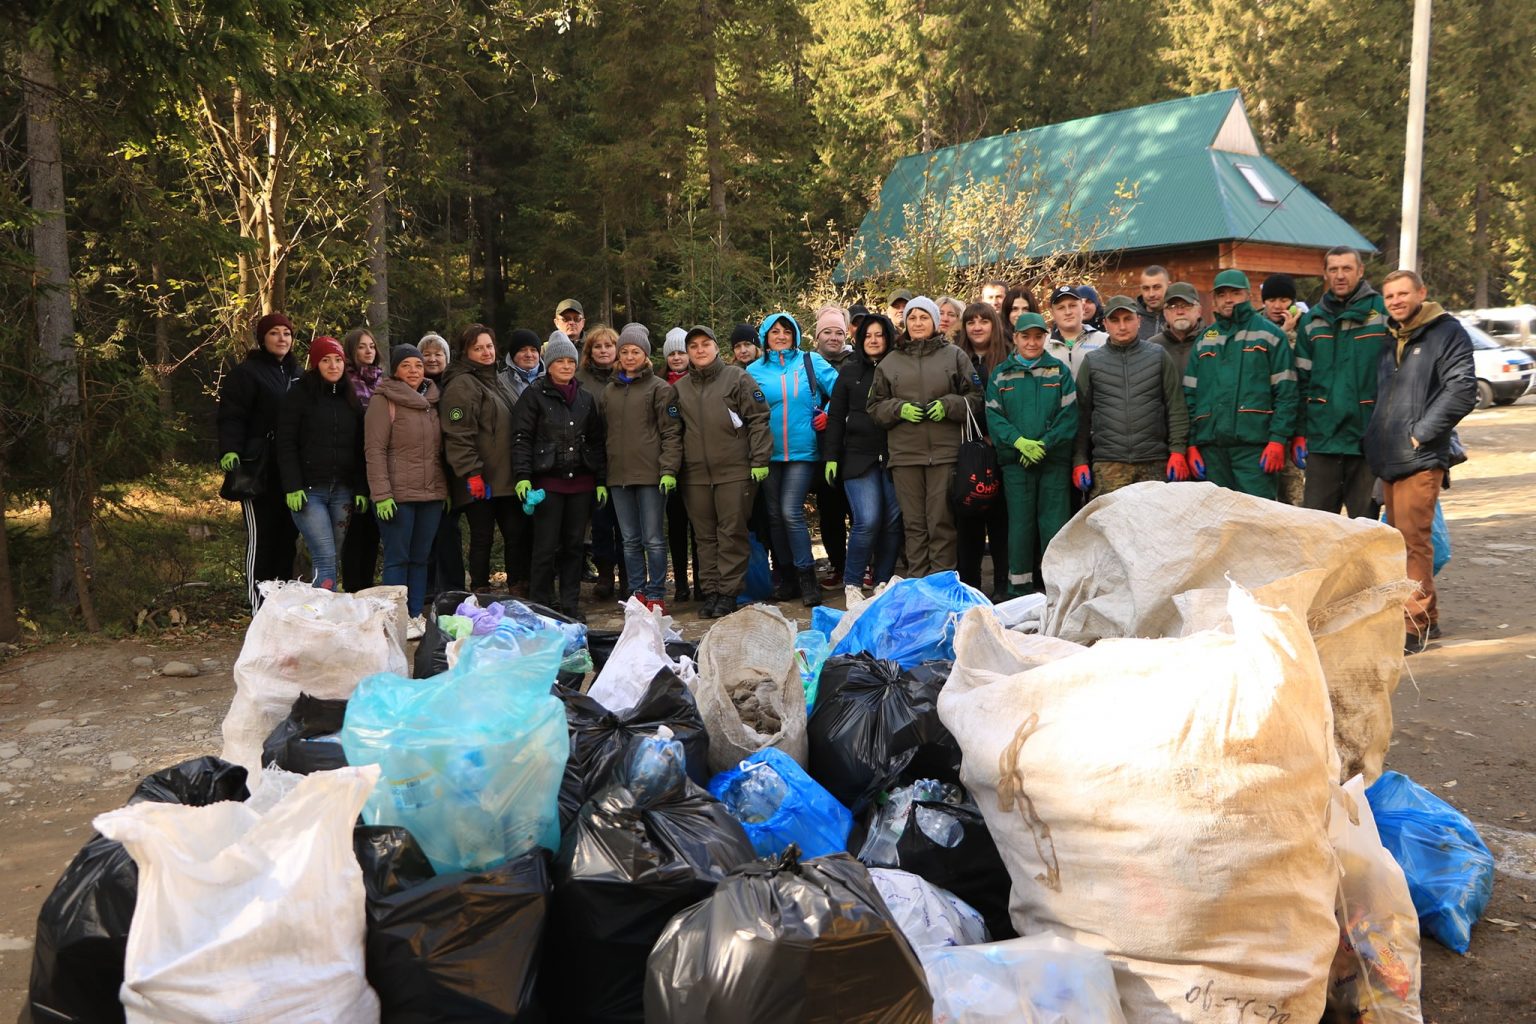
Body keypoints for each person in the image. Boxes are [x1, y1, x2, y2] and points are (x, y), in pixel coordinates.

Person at [1366, 270, 1476, 652]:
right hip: (1389, 455)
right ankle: (1426, 619)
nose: (1396, 300)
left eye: (1403, 293)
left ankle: (1414, 625)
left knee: (1414, 542)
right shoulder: (1390, 337)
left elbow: (1463, 389)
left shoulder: (1446, 333)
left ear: (1421, 293)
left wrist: (1422, 432)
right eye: (1390, 295)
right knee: (1400, 542)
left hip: (1420, 455)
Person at [867, 295, 982, 576]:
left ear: (934, 321)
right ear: (905, 323)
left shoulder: (954, 355)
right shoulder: (889, 362)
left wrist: (948, 406)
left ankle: (941, 586)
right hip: (905, 456)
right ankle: (917, 585)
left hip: (945, 454)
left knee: (941, 523)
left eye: (924, 317)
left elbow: (976, 397)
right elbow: (874, 406)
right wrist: (898, 409)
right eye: (912, 318)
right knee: (914, 525)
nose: (918, 323)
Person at [673, 325, 772, 618]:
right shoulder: (679, 389)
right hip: (695, 476)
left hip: (734, 471)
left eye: (706, 344)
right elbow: (673, 433)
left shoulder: (736, 378)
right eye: (694, 346)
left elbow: (758, 419)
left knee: (731, 533)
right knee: (704, 537)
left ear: (716, 348)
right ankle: (712, 591)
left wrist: (759, 461)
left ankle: (729, 593)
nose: (700, 350)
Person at [512, 332, 606, 621]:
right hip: (548, 482)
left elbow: (596, 440)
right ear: (548, 363)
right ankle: (541, 604)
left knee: (574, 547)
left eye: (570, 361)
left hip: (580, 482)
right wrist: (523, 475)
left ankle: (570, 605)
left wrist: (600, 479)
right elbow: (521, 437)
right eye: (559, 361)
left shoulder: (586, 398)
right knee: (545, 546)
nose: (565, 366)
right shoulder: (533, 396)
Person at [748, 312, 839, 607]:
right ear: (765, 337)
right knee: (774, 516)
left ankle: (806, 576)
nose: (781, 335)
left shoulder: (810, 361)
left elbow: (841, 391)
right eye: (774, 331)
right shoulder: (753, 371)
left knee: (790, 511)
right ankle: (786, 577)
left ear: (796, 335)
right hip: (767, 453)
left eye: (787, 330)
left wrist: (826, 412)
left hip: (803, 451)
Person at [1183, 269, 1298, 500]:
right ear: (1214, 299)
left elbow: (1286, 393)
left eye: (1235, 293)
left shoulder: (1270, 335)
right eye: (1222, 294)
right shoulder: (1205, 339)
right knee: (1217, 521)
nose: (1228, 299)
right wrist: (1191, 444)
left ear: (1248, 295)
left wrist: (1277, 439)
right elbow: (1190, 396)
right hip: (1212, 450)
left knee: (1257, 521)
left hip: (1255, 449)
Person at [985, 312, 1077, 594]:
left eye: (1038, 336)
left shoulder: (1059, 371)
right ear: (1016, 338)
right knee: (1020, 529)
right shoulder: (1001, 374)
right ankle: (1020, 592)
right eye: (1026, 336)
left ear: (1045, 338)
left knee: (1054, 527)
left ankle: (1056, 590)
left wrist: (1044, 445)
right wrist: (1019, 442)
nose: (1032, 342)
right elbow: (994, 417)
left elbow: (1069, 415)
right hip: (1016, 465)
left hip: (1052, 464)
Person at [1295, 248, 1389, 519]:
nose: (1340, 276)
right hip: (1323, 442)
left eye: (1346, 269)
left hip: (1366, 441)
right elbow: (1300, 382)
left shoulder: (1382, 313)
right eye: (1333, 269)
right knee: (1317, 528)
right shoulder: (1311, 321)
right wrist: (1299, 433)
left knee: (1365, 529)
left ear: (1360, 272)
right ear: (1325, 274)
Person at [217, 312, 302, 611]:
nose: (282, 339)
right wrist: (231, 449)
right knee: (262, 538)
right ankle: (259, 608)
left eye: (287, 334)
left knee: (286, 539)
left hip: (290, 471)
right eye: (275, 333)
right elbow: (232, 415)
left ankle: (282, 609)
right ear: (263, 339)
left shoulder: (298, 373)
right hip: (258, 469)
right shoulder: (247, 373)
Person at [364, 344, 447, 634]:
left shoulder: (434, 400)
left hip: (431, 495)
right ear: (395, 371)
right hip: (397, 496)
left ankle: (414, 615)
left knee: (420, 558)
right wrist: (382, 494)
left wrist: (443, 490)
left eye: (418, 365)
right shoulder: (383, 400)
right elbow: (374, 451)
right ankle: (394, 619)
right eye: (407, 365)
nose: (414, 371)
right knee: (398, 558)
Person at [1072, 296, 1190, 499]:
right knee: (1111, 527)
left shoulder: (1158, 356)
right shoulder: (1093, 362)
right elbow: (1080, 416)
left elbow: (1176, 407)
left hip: (1154, 463)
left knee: (1155, 526)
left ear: (1139, 320)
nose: (1122, 326)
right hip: (1109, 465)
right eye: (1115, 321)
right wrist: (1079, 460)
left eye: (1128, 319)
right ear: (1105, 324)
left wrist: (1178, 451)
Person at [601, 323, 682, 612]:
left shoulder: (660, 389)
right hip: (618, 476)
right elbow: (603, 434)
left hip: (651, 475)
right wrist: (603, 476)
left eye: (635, 351)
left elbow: (672, 432)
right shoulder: (609, 391)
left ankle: (657, 591)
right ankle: (637, 593)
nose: (630, 356)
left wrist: (668, 469)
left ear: (645, 354)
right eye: (624, 351)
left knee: (653, 539)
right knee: (629, 539)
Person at [273, 335, 363, 591]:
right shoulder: (299, 395)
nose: (333, 366)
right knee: (324, 555)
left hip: (342, 491)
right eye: (326, 360)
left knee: (332, 555)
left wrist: (360, 488)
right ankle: (323, 619)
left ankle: (321, 609)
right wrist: (292, 485)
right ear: (315, 364)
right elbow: (286, 443)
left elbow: (359, 447)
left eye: (338, 360)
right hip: (309, 492)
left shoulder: (350, 397)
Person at [439, 323, 522, 595]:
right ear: (465, 352)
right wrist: (471, 472)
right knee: (482, 536)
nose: (486, 352)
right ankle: (480, 589)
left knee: (515, 533)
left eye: (489, 346)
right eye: (478, 348)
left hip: (507, 477)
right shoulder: (461, 384)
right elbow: (457, 432)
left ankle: (518, 586)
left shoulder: (496, 379)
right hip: (481, 477)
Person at [825, 313, 903, 589]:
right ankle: (853, 582)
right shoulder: (849, 370)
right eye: (868, 335)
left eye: (879, 335)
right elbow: (836, 416)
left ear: (888, 337)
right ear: (859, 339)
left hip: (895, 454)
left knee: (893, 522)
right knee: (867, 520)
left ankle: (882, 581)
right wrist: (831, 456)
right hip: (858, 456)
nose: (873, 340)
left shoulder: (898, 365)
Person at [955, 301, 1012, 599]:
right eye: (971, 321)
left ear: (994, 324)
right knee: (968, 522)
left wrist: (996, 435)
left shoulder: (1008, 357)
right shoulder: (955, 358)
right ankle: (970, 589)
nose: (977, 326)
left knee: (1000, 522)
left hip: (1003, 451)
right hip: (968, 453)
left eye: (984, 321)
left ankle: (1002, 585)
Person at [578, 324, 625, 600]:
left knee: (627, 525)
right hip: (593, 460)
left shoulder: (627, 375)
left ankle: (629, 576)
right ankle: (605, 575)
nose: (604, 350)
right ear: (590, 351)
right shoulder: (580, 378)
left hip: (624, 457)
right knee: (601, 522)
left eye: (609, 345)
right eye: (598, 346)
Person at [419, 332, 466, 596]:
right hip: (421, 469)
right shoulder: (415, 386)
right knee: (426, 531)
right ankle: (427, 586)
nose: (433, 359)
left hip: (450, 468)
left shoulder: (453, 386)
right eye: (427, 354)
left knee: (448, 530)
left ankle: (454, 586)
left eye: (438, 354)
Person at [810, 306, 852, 587]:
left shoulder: (855, 360)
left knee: (857, 508)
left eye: (839, 332)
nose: (833, 337)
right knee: (829, 510)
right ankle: (838, 564)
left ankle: (863, 565)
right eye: (827, 332)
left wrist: (833, 414)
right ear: (817, 336)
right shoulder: (806, 362)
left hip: (853, 445)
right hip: (820, 448)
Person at [340, 327, 384, 592]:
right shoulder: (345, 381)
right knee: (354, 531)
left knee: (373, 531)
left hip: (377, 463)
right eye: (361, 347)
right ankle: (353, 588)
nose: (368, 351)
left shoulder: (382, 381)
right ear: (351, 350)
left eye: (371, 346)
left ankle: (367, 587)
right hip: (353, 462)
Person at [1258, 274, 1306, 505]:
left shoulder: (1305, 327)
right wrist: (1283, 333)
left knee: (1294, 500)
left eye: (1284, 300)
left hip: (1292, 424)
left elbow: (1299, 371)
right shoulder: (1255, 327)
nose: (1278, 306)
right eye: (1272, 300)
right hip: (1261, 425)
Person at [661, 328, 699, 602]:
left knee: (700, 527)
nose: (676, 358)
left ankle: (701, 580)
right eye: (672, 353)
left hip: (698, 463)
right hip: (671, 466)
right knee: (675, 526)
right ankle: (681, 585)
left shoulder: (700, 380)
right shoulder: (660, 384)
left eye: (681, 353)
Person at [1044, 285, 1106, 377]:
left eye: (1072, 305)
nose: (1068, 312)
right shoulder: (1043, 346)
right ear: (1053, 313)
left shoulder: (1103, 341)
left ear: (1082, 307)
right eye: (1061, 308)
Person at [1146, 282, 1203, 371]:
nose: (1180, 312)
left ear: (1199, 311)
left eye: (1187, 305)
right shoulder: (1152, 346)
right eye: (1172, 306)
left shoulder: (1210, 342)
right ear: (1164, 313)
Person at [498, 327, 544, 402]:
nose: (529, 355)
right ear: (513, 354)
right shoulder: (500, 382)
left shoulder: (552, 379)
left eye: (533, 350)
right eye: (523, 350)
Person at [1135, 265, 1170, 339]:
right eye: (1146, 288)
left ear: (1168, 286)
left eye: (1157, 287)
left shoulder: (1177, 317)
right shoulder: (1131, 319)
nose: (1151, 294)